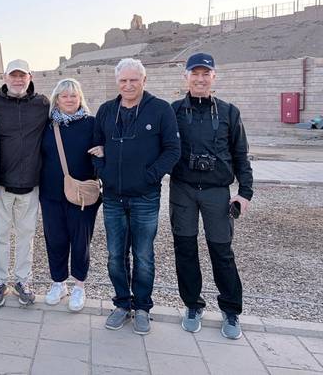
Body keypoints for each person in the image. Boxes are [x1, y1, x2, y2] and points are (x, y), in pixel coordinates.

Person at [91, 58, 180, 335]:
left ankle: (142, 307)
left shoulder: (160, 109)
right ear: (117, 82)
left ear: (144, 80)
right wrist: (103, 172)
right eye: (123, 81)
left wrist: (149, 176)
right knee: (115, 255)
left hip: (145, 197)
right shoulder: (107, 110)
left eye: (134, 80)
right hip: (113, 198)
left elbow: (173, 150)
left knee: (143, 255)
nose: (128, 85)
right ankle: (121, 304)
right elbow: (95, 147)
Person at [170, 53, 254, 339]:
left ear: (214, 77)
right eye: (195, 73)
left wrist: (245, 193)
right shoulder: (174, 111)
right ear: (186, 76)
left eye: (206, 73)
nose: (200, 78)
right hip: (183, 189)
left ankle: (231, 310)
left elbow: (241, 155)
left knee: (221, 251)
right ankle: (193, 305)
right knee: (185, 249)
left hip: (218, 192)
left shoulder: (230, 112)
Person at [0, 59, 49, 307]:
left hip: (30, 182)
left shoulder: (42, 104)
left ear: (30, 77)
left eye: (23, 76)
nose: (18, 80)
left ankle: (23, 280)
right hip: (1, 183)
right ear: (5, 77)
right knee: (0, 236)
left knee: (26, 235)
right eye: (14, 76)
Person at [39, 79, 101, 312]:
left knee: (80, 241)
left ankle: (79, 286)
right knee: (55, 239)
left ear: (80, 98)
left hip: (82, 195)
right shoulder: (47, 125)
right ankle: (58, 283)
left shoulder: (92, 123)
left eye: (73, 96)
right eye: (64, 96)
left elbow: (102, 150)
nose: (69, 100)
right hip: (50, 193)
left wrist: (102, 151)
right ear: (57, 99)